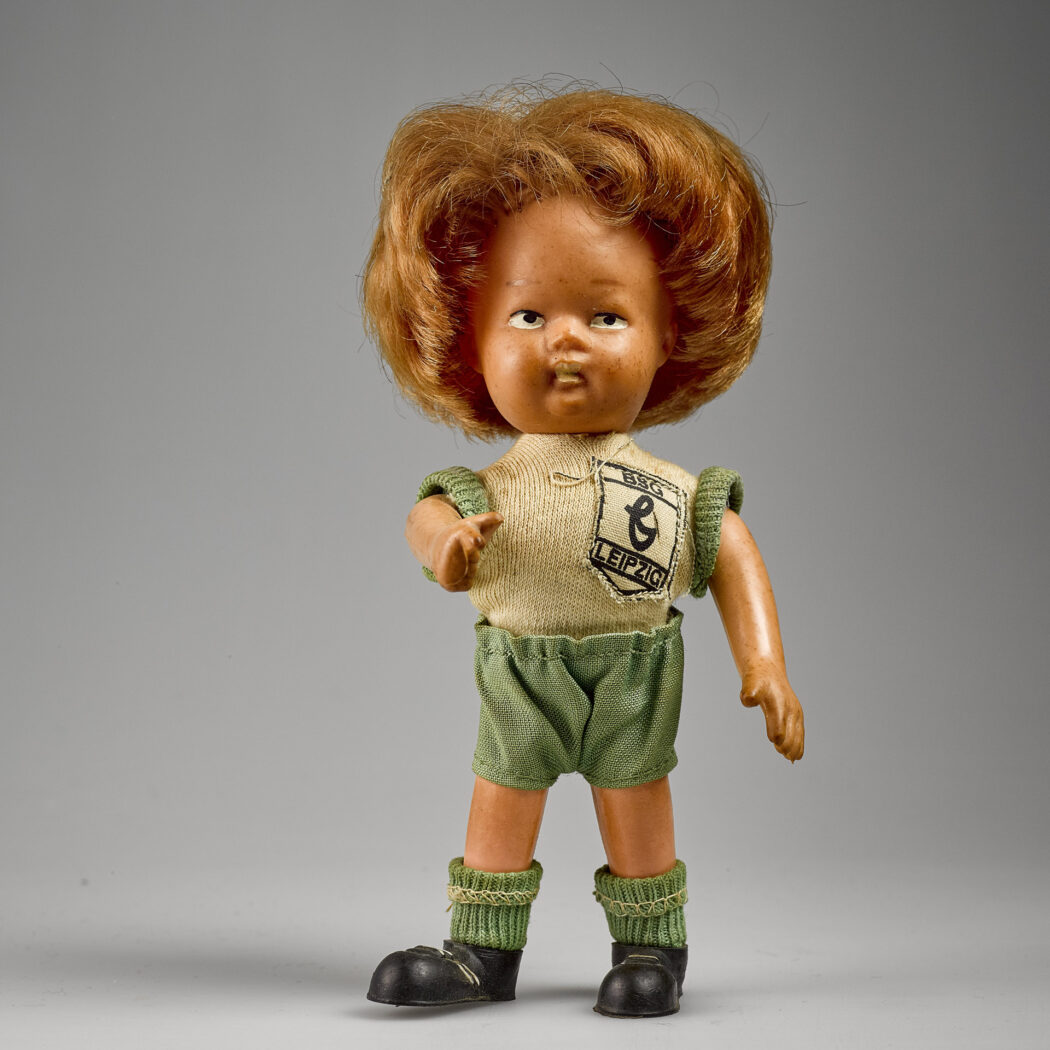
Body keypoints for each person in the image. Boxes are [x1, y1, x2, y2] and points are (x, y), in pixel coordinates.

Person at [361, 85, 804, 1018]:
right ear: (470, 337)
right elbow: (425, 517)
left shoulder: (668, 491)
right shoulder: (490, 488)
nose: (565, 339)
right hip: (520, 670)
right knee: (500, 799)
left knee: (636, 798)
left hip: (634, 672)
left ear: (668, 333)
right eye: (527, 317)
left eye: (605, 317)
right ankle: (482, 950)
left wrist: (764, 662)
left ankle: (651, 948)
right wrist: (448, 546)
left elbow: (727, 547)